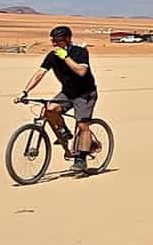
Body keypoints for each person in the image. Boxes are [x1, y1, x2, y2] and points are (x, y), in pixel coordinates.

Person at [18, 24, 100, 172]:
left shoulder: (80, 52)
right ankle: (64, 132)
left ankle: (81, 159)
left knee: (82, 125)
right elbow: (40, 73)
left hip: (85, 93)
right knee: (49, 110)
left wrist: (66, 57)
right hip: (67, 93)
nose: (54, 44)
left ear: (68, 39)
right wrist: (25, 91)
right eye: (53, 41)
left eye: (58, 40)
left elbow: (81, 71)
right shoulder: (52, 56)